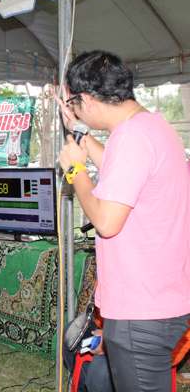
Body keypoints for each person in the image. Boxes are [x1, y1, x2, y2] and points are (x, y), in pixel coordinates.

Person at [57, 50, 190, 391]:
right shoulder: (150, 127)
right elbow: (120, 172)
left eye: (74, 103)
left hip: (141, 309)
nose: (75, 110)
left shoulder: (132, 138)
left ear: (87, 98)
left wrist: (75, 170)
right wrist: (80, 132)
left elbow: (106, 221)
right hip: (160, 299)